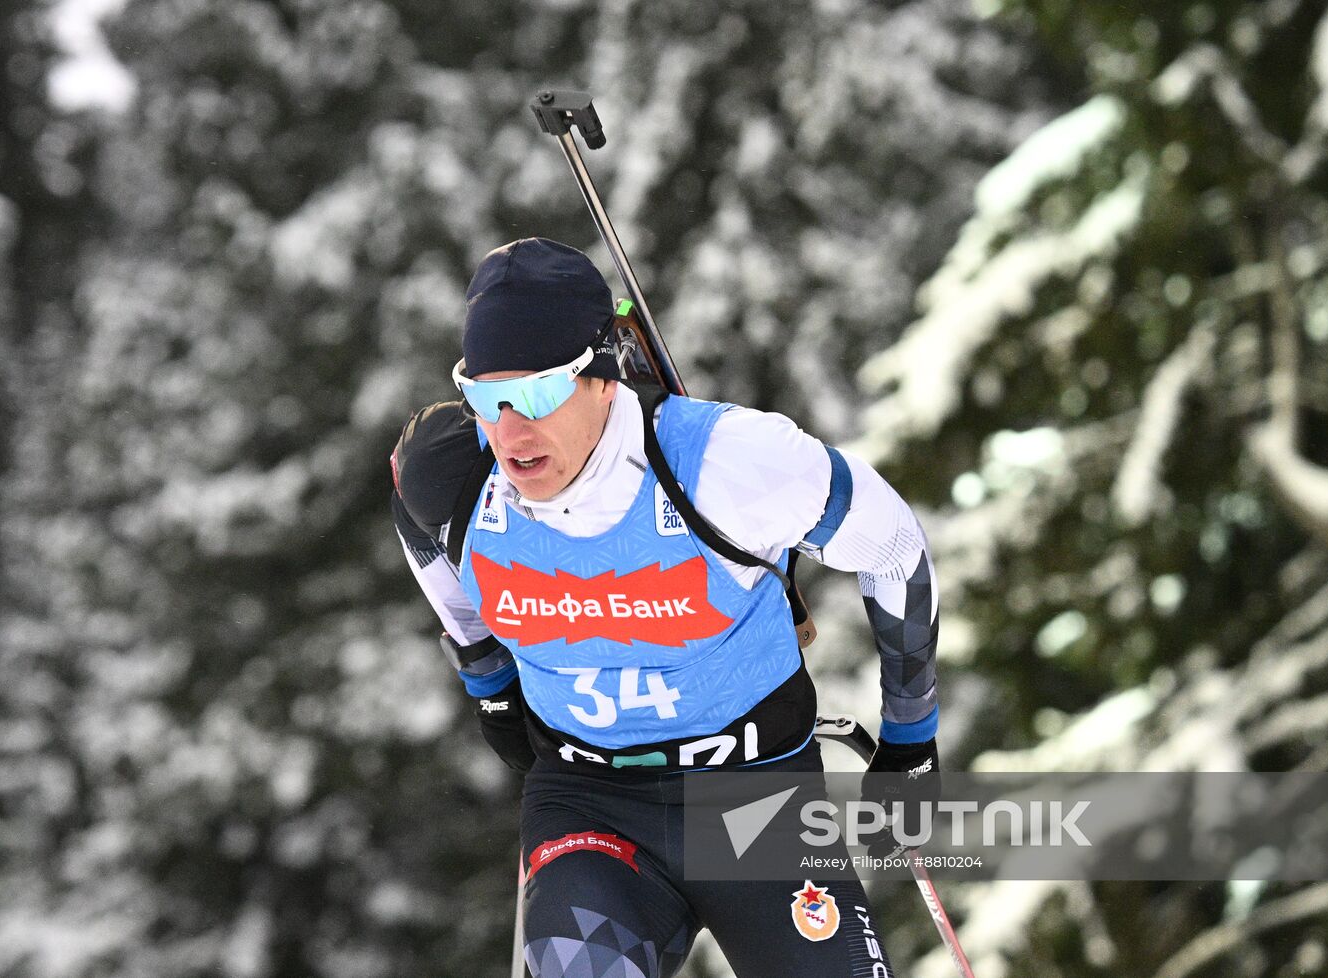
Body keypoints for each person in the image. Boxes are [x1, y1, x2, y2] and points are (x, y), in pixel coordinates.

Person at [391, 237, 940, 977]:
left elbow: (893, 546)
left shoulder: (727, 465)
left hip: (755, 805)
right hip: (589, 804)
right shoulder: (459, 481)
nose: (511, 432)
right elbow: (421, 530)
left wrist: (912, 736)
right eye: (487, 397)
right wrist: (489, 684)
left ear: (603, 377)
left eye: (540, 392)